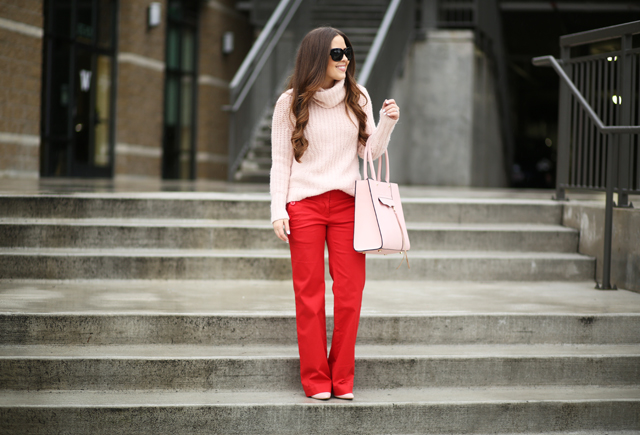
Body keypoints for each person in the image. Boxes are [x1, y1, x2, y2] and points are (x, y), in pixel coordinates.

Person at [270, 27, 400, 400]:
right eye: (337, 54)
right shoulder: (289, 103)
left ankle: (342, 379)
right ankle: (315, 379)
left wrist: (387, 121)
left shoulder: (358, 97)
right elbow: (280, 162)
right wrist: (278, 208)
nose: (345, 60)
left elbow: (370, 153)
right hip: (304, 204)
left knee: (349, 294)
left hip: (347, 206)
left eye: (347, 53)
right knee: (308, 296)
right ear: (316, 58)